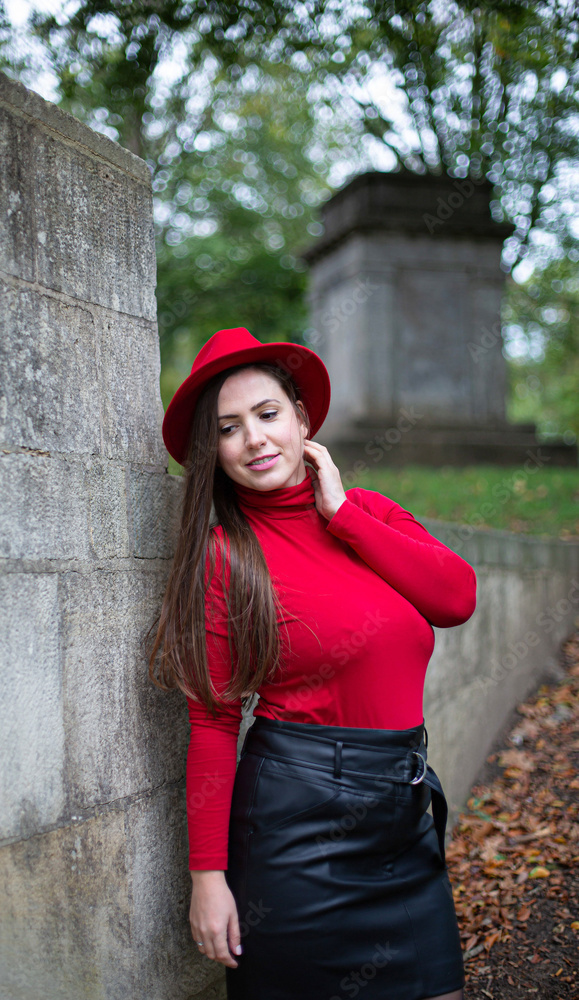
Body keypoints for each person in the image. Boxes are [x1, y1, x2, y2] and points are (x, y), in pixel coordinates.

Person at [147, 327, 477, 1000]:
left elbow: (454, 599)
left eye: (267, 415)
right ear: (216, 452)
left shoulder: (371, 516)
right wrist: (208, 879)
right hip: (297, 829)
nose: (255, 439)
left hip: (403, 810)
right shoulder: (223, 557)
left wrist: (343, 514)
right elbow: (211, 724)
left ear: (300, 420)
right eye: (229, 429)